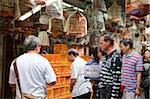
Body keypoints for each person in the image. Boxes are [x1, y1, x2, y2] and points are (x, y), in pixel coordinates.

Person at [98, 33, 122, 99]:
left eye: (101, 43)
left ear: (108, 42)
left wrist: (113, 97)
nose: (100, 46)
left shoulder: (116, 57)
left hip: (109, 90)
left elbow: (117, 80)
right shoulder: (105, 57)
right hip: (103, 90)